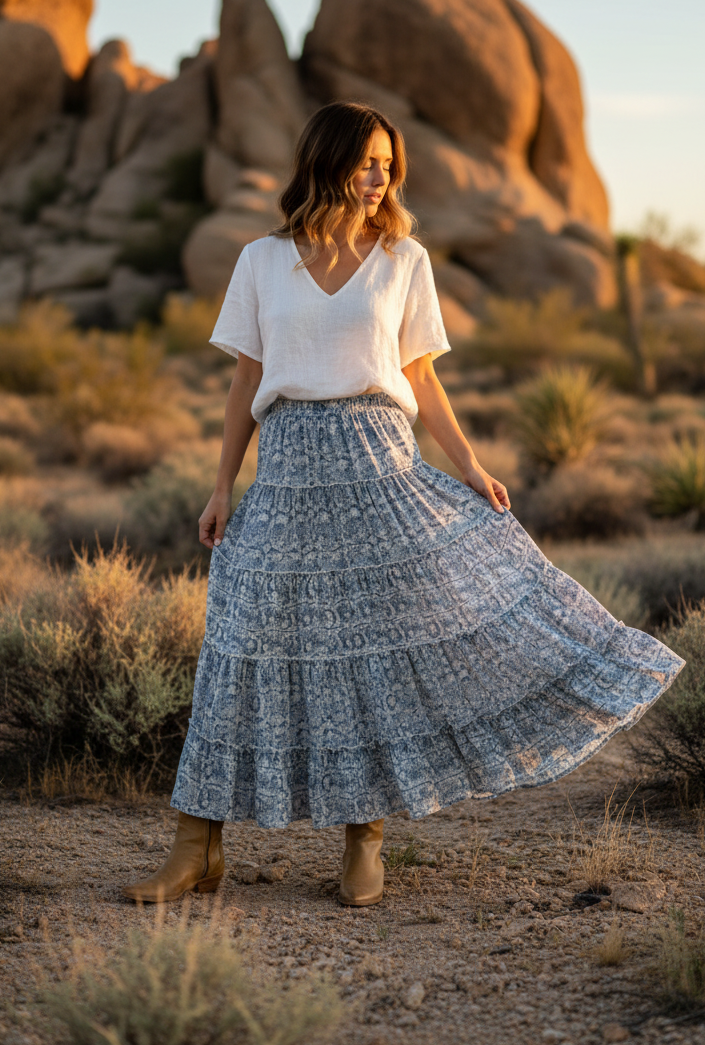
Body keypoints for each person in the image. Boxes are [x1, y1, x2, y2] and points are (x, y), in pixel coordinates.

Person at [123, 102, 685, 907]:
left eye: (390, 161)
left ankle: (365, 840)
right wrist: (221, 486)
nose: (382, 173)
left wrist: (472, 466)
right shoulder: (259, 260)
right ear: (328, 160)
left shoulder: (403, 259)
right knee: (238, 646)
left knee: (376, 657)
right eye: (367, 159)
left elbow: (420, 376)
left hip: (379, 465)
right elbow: (245, 379)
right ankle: (196, 847)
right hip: (285, 470)